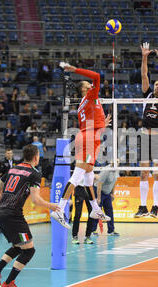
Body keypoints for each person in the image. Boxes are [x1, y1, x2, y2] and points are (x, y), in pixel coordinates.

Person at [0, 144, 61, 287]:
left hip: (1, 213)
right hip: (13, 215)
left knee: (18, 246)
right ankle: (9, 282)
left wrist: (0, 204)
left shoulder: (13, 168)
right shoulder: (34, 173)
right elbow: (36, 199)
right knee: (29, 250)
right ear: (36, 157)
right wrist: (51, 205)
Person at [54, 62, 113, 227]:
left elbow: (90, 122)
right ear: (85, 89)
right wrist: (75, 70)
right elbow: (97, 76)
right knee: (78, 175)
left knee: (88, 176)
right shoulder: (90, 96)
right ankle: (60, 208)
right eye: (89, 85)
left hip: (88, 136)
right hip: (88, 138)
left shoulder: (86, 103)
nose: (93, 85)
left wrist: (101, 125)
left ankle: (95, 208)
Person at [132, 42, 158, 219]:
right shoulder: (147, 95)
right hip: (145, 137)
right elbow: (144, 74)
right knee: (143, 173)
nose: (157, 87)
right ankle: (142, 206)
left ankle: (155, 207)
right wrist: (145, 56)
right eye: (156, 85)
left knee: (157, 174)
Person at [94, 164, 120, 236]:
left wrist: (112, 193)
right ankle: (93, 230)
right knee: (97, 211)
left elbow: (114, 182)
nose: (117, 163)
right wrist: (98, 198)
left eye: (118, 161)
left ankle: (111, 231)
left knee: (109, 211)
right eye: (116, 161)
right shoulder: (106, 171)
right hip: (99, 191)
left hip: (107, 192)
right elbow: (99, 184)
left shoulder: (117, 169)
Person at [71, 179, 97, 245]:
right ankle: (74, 236)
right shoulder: (79, 169)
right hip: (79, 189)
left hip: (89, 189)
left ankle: (88, 236)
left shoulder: (91, 170)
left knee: (92, 213)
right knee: (78, 214)